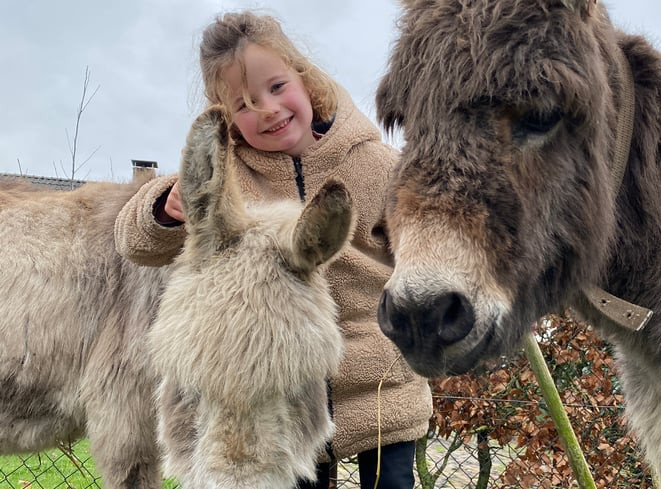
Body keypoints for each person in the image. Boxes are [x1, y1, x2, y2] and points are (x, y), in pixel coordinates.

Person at [114, 10, 433, 489]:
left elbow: (423, 241)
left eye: (277, 87)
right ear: (226, 116)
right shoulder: (231, 177)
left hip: (380, 382)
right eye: (243, 104)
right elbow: (137, 242)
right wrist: (165, 206)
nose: (266, 109)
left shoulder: (373, 165)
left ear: (305, 81)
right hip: (282, 392)